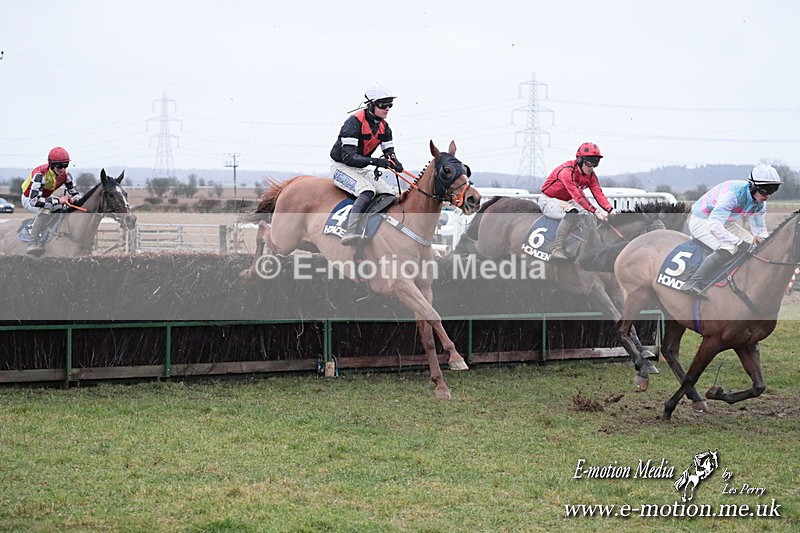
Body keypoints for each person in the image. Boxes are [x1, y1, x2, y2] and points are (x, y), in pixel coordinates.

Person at [680, 164, 781, 296]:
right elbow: (714, 226)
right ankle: (692, 282)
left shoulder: (760, 204)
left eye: (772, 191)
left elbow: (760, 232)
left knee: (753, 244)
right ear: (753, 186)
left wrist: (765, 243)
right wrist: (739, 243)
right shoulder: (732, 196)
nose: (767, 196)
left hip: (722, 221)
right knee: (730, 247)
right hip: (701, 220)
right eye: (765, 191)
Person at [330, 83, 404, 246]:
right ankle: (350, 231)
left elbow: (389, 154)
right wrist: (376, 161)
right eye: (383, 104)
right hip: (341, 167)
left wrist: (395, 163)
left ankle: (370, 228)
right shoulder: (354, 122)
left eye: (390, 105)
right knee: (367, 190)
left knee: (389, 193)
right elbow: (349, 158)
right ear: (371, 104)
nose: (387, 108)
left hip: (361, 168)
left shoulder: (385, 127)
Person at [539, 142, 617, 260]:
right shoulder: (566, 171)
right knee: (573, 212)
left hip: (567, 201)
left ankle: (585, 244)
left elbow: (597, 192)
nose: (591, 168)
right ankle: (557, 248)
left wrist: (610, 209)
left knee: (588, 215)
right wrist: (595, 211)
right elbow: (578, 196)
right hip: (549, 199)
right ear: (580, 161)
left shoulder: (591, 175)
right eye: (589, 164)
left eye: (595, 164)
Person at [20, 146, 82, 255]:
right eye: (59, 166)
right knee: (46, 209)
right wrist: (58, 200)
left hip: (45, 197)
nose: (62, 169)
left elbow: (77, 194)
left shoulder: (66, 175)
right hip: (29, 198)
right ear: (51, 165)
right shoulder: (39, 175)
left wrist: (73, 199)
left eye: (65, 165)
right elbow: (34, 201)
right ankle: (32, 242)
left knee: (62, 208)